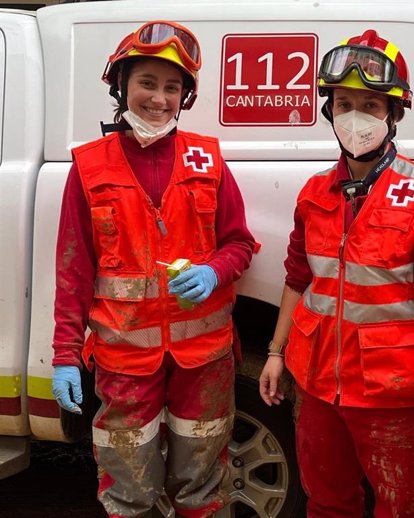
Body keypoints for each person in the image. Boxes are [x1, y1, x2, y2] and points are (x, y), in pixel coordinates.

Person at [258, 29, 414, 517]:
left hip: (395, 392)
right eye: (343, 103)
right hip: (320, 385)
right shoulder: (315, 192)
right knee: (325, 502)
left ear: (394, 112)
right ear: (329, 111)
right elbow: (298, 278)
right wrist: (276, 353)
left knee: (404, 506)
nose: (355, 117)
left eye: (370, 104)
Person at [50, 20, 255, 518]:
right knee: (129, 488)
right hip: (123, 363)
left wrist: (214, 271)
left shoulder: (208, 159)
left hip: (204, 360)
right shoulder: (89, 168)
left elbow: (240, 243)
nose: (159, 98)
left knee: (203, 488)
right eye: (146, 83)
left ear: (185, 96)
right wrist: (64, 353)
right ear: (121, 86)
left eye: (172, 87)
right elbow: (74, 271)